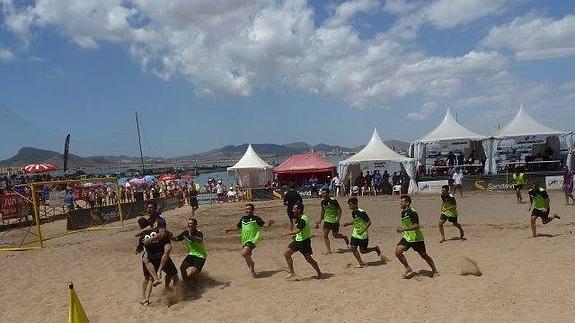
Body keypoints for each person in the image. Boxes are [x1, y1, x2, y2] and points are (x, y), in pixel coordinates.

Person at [137, 217, 179, 305]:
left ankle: (145, 299)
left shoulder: (142, 237)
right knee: (173, 275)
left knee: (149, 279)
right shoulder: (159, 233)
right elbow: (169, 236)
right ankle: (176, 294)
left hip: (150, 257)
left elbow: (138, 247)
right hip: (160, 256)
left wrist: (140, 248)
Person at [395, 195, 437, 279]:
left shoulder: (412, 212)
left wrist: (403, 229)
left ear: (407, 203)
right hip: (408, 237)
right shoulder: (403, 213)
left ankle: (434, 270)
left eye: (402, 202)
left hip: (417, 238)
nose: (400, 203)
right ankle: (407, 268)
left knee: (424, 255)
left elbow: (417, 225)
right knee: (398, 252)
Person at [225, 203, 273, 277]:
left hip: (253, 239)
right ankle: (252, 269)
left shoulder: (256, 218)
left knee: (244, 253)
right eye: (246, 209)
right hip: (244, 239)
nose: (247, 211)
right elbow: (238, 227)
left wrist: (269, 224)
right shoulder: (243, 218)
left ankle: (252, 267)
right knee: (247, 255)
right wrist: (229, 230)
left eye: (248, 209)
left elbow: (264, 225)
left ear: (252, 210)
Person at [283, 202, 323, 279]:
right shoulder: (298, 217)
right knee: (287, 254)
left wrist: (287, 234)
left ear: (299, 210)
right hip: (298, 240)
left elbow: (298, 230)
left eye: (294, 209)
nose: (293, 210)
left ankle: (319, 273)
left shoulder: (303, 219)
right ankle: (292, 272)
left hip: (304, 242)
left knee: (309, 259)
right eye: (293, 209)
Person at [343, 197, 386, 267]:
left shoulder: (362, 212)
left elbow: (369, 222)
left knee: (363, 251)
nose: (349, 206)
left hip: (363, 234)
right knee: (353, 248)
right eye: (349, 204)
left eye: (350, 204)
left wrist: (363, 230)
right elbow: (356, 221)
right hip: (355, 233)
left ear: (355, 204)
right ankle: (361, 263)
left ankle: (375, 248)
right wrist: (348, 223)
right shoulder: (353, 212)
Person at [315, 189, 349, 254]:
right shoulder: (322, 202)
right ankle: (328, 250)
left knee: (335, 235)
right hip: (327, 220)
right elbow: (323, 211)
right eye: (322, 193)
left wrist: (338, 219)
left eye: (325, 193)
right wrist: (320, 219)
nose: (323, 195)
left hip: (334, 220)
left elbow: (339, 210)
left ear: (328, 194)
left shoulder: (333, 201)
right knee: (325, 235)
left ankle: (345, 237)